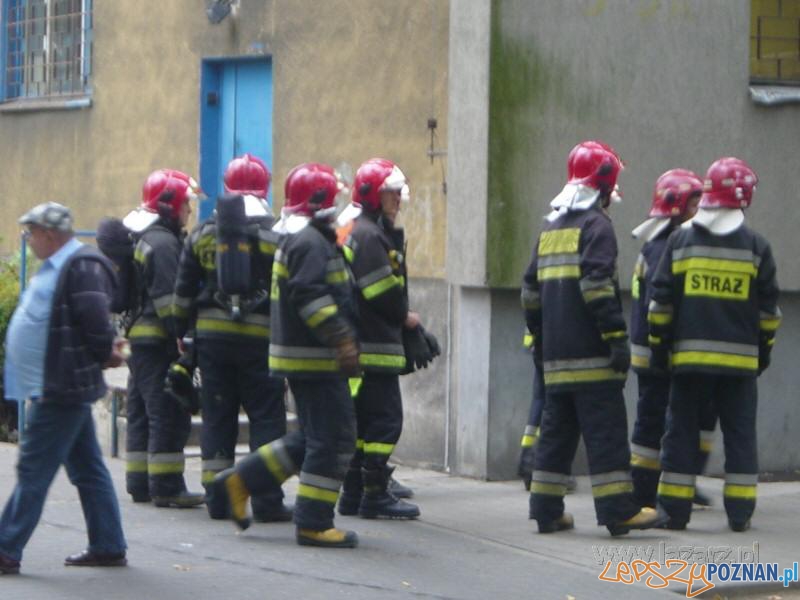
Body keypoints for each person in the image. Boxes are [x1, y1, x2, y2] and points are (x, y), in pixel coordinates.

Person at [213, 162, 361, 548]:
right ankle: (313, 522)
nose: (339, 206)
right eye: (334, 198)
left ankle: (240, 481)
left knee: (313, 437)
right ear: (319, 202)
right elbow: (310, 296)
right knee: (334, 439)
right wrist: (342, 338)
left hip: (304, 358)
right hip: (314, 358)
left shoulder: (303, 238)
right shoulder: (309, 243)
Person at [522, 141, 659, 536]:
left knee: (557, 433)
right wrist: (617, 338)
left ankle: (546, 509)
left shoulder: (550, 228)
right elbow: (598, 287)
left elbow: (529, 291)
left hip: (556, 358)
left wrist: (541, 338)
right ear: (604, 184)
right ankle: (619, 510)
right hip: (592, 357)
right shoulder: (597, 227)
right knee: (606, 432)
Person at [651, 157, 780, 532]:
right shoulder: (757, 247)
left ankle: (674, 511)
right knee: (740, 437)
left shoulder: (679, 241)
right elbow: (768, 314)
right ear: (743, 197)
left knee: (681, 434)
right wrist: (763, 352)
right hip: (739, 368)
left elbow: (660, 306)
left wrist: (661, 351)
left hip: (688, 364)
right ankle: (740, 514)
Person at [0, 202, 127, 575]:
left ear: (50, 234)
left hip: (61, 385)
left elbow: (95, 321)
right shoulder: (58, 266)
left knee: (33, 468)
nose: (29, 240)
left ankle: (6, 547)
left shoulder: (81, 266)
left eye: (31, 233)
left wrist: (107, 353)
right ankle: (108, 543)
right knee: (87, 468)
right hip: (56, 383)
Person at [173, 154, 290, 521]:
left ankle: (217, 498)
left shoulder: (203, 235)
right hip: (261, 342)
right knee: (267, 418)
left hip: (212, 343)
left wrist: (180, 332)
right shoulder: (276, 236)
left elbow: (183, 292)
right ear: (265, 187)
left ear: (225, 187)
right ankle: (267, 500)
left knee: (217, 417)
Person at [337, 158, 425, 519]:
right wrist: (406, 319)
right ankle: (373, 492)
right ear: (374, 194)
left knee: (367, 422)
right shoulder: (370, 236)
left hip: (370, 343)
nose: (397, 199)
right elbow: (381, 290)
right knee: (386, 422)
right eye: (391, 193)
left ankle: (355, 492)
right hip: (374, 345)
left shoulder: (367, 230)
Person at [629, 169, 716, 508]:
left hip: (660, 351)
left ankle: (681, 480)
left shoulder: (664, 243)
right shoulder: (664, 248)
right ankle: (643, 493)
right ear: (677, 205)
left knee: (688, 421)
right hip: (655, 353)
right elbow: (661, 305)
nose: (703, 208)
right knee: (652, 427)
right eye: (696, 202)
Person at [123, 169, 204, 508]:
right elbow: (172, 301)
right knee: (166, 412)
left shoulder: (147, 238)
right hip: (158, 342)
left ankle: (140, 482)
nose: (189, 210)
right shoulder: (165, 244)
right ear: (170, 205)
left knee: (142, 411)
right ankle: (167, 486)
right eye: (186, 203)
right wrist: (183, 337)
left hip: (139, 340)